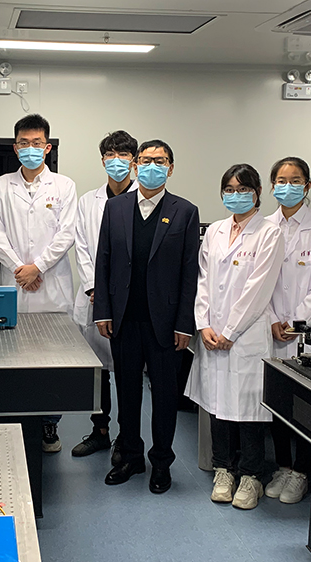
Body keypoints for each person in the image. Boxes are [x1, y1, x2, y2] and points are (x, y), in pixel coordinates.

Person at [93, 139, 199, 494]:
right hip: (123, 318)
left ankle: (162, 462)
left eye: (161, 160)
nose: (153, 166)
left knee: (165, 396)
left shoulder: (185, 211)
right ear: (136, 166)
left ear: (171, 167)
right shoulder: (116, 208)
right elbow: (103, 260)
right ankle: (131, 457)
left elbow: (189, 272)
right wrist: (102, 310)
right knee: (127, 392)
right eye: (146, 160)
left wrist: (185, 323)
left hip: (165, 323)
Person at [185, 164, 283, 510]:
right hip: (212, 333)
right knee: (217, 405)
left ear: (257, 193)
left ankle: (251, 475)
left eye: (243, 189)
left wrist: (230, 331)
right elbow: (202, 280)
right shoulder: (215, 230)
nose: (236, 195)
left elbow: (259, 288)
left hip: (246, 335)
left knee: (248, 408)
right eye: (229, 189)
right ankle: (223, 469)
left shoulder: (269, 233)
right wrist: (204, 324)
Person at [0, 114, 77, 453]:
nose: (30, 148)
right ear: (15, 148)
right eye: (23, 143)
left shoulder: (64, 186)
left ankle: (50, 424)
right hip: (15, 284)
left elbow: (66, 234)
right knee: (13, 354)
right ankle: (18, 422)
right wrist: (19, 269)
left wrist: (37, 267)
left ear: (47, 147)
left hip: (51, 284)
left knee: (54, 359)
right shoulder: (1, 185)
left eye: (36, 143)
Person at [264, 157, 311, 505]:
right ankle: (282, 465)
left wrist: (296, 323)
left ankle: (302, 471)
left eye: (295, 181)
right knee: (278, 401)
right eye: (281, 180)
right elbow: (259, 284)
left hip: (308, 332)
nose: (287, 187)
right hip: (271, 327)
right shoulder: (263, 227)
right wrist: (272, 319)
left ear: (307, 186)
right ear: (272, 186)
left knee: (308, 405)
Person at [71, 130, 138, 460]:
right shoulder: (88, 201)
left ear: (134, 161)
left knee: (127, 372)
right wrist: (94, 287)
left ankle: (127, 437)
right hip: (95, 297)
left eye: (123, 154)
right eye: (110, 154)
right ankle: (100, 431)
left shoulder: (144, 199)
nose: (116, 160)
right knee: (97, 371)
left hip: (129, 300)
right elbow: (82, 247)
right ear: (102, 161)